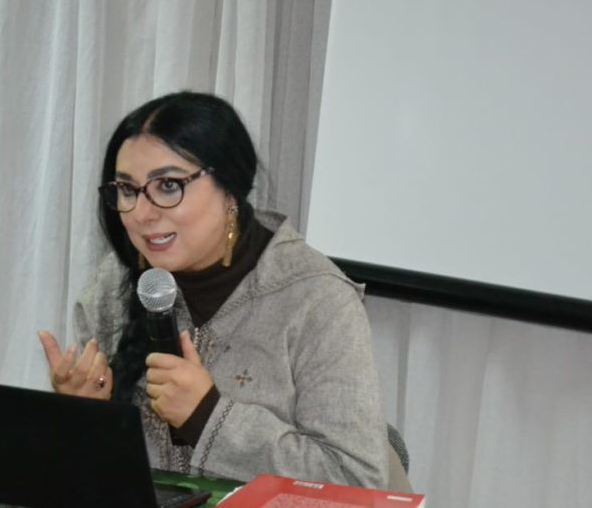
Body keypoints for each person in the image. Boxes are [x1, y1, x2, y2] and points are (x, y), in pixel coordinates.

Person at [39, 92, 396, 489]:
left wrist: (209, 417)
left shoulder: (318, 302)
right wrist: (85, 417)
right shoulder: (112, 288)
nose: (141, 213)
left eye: (168, 185)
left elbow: (357, 482)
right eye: (127, 189)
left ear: (230, 189)